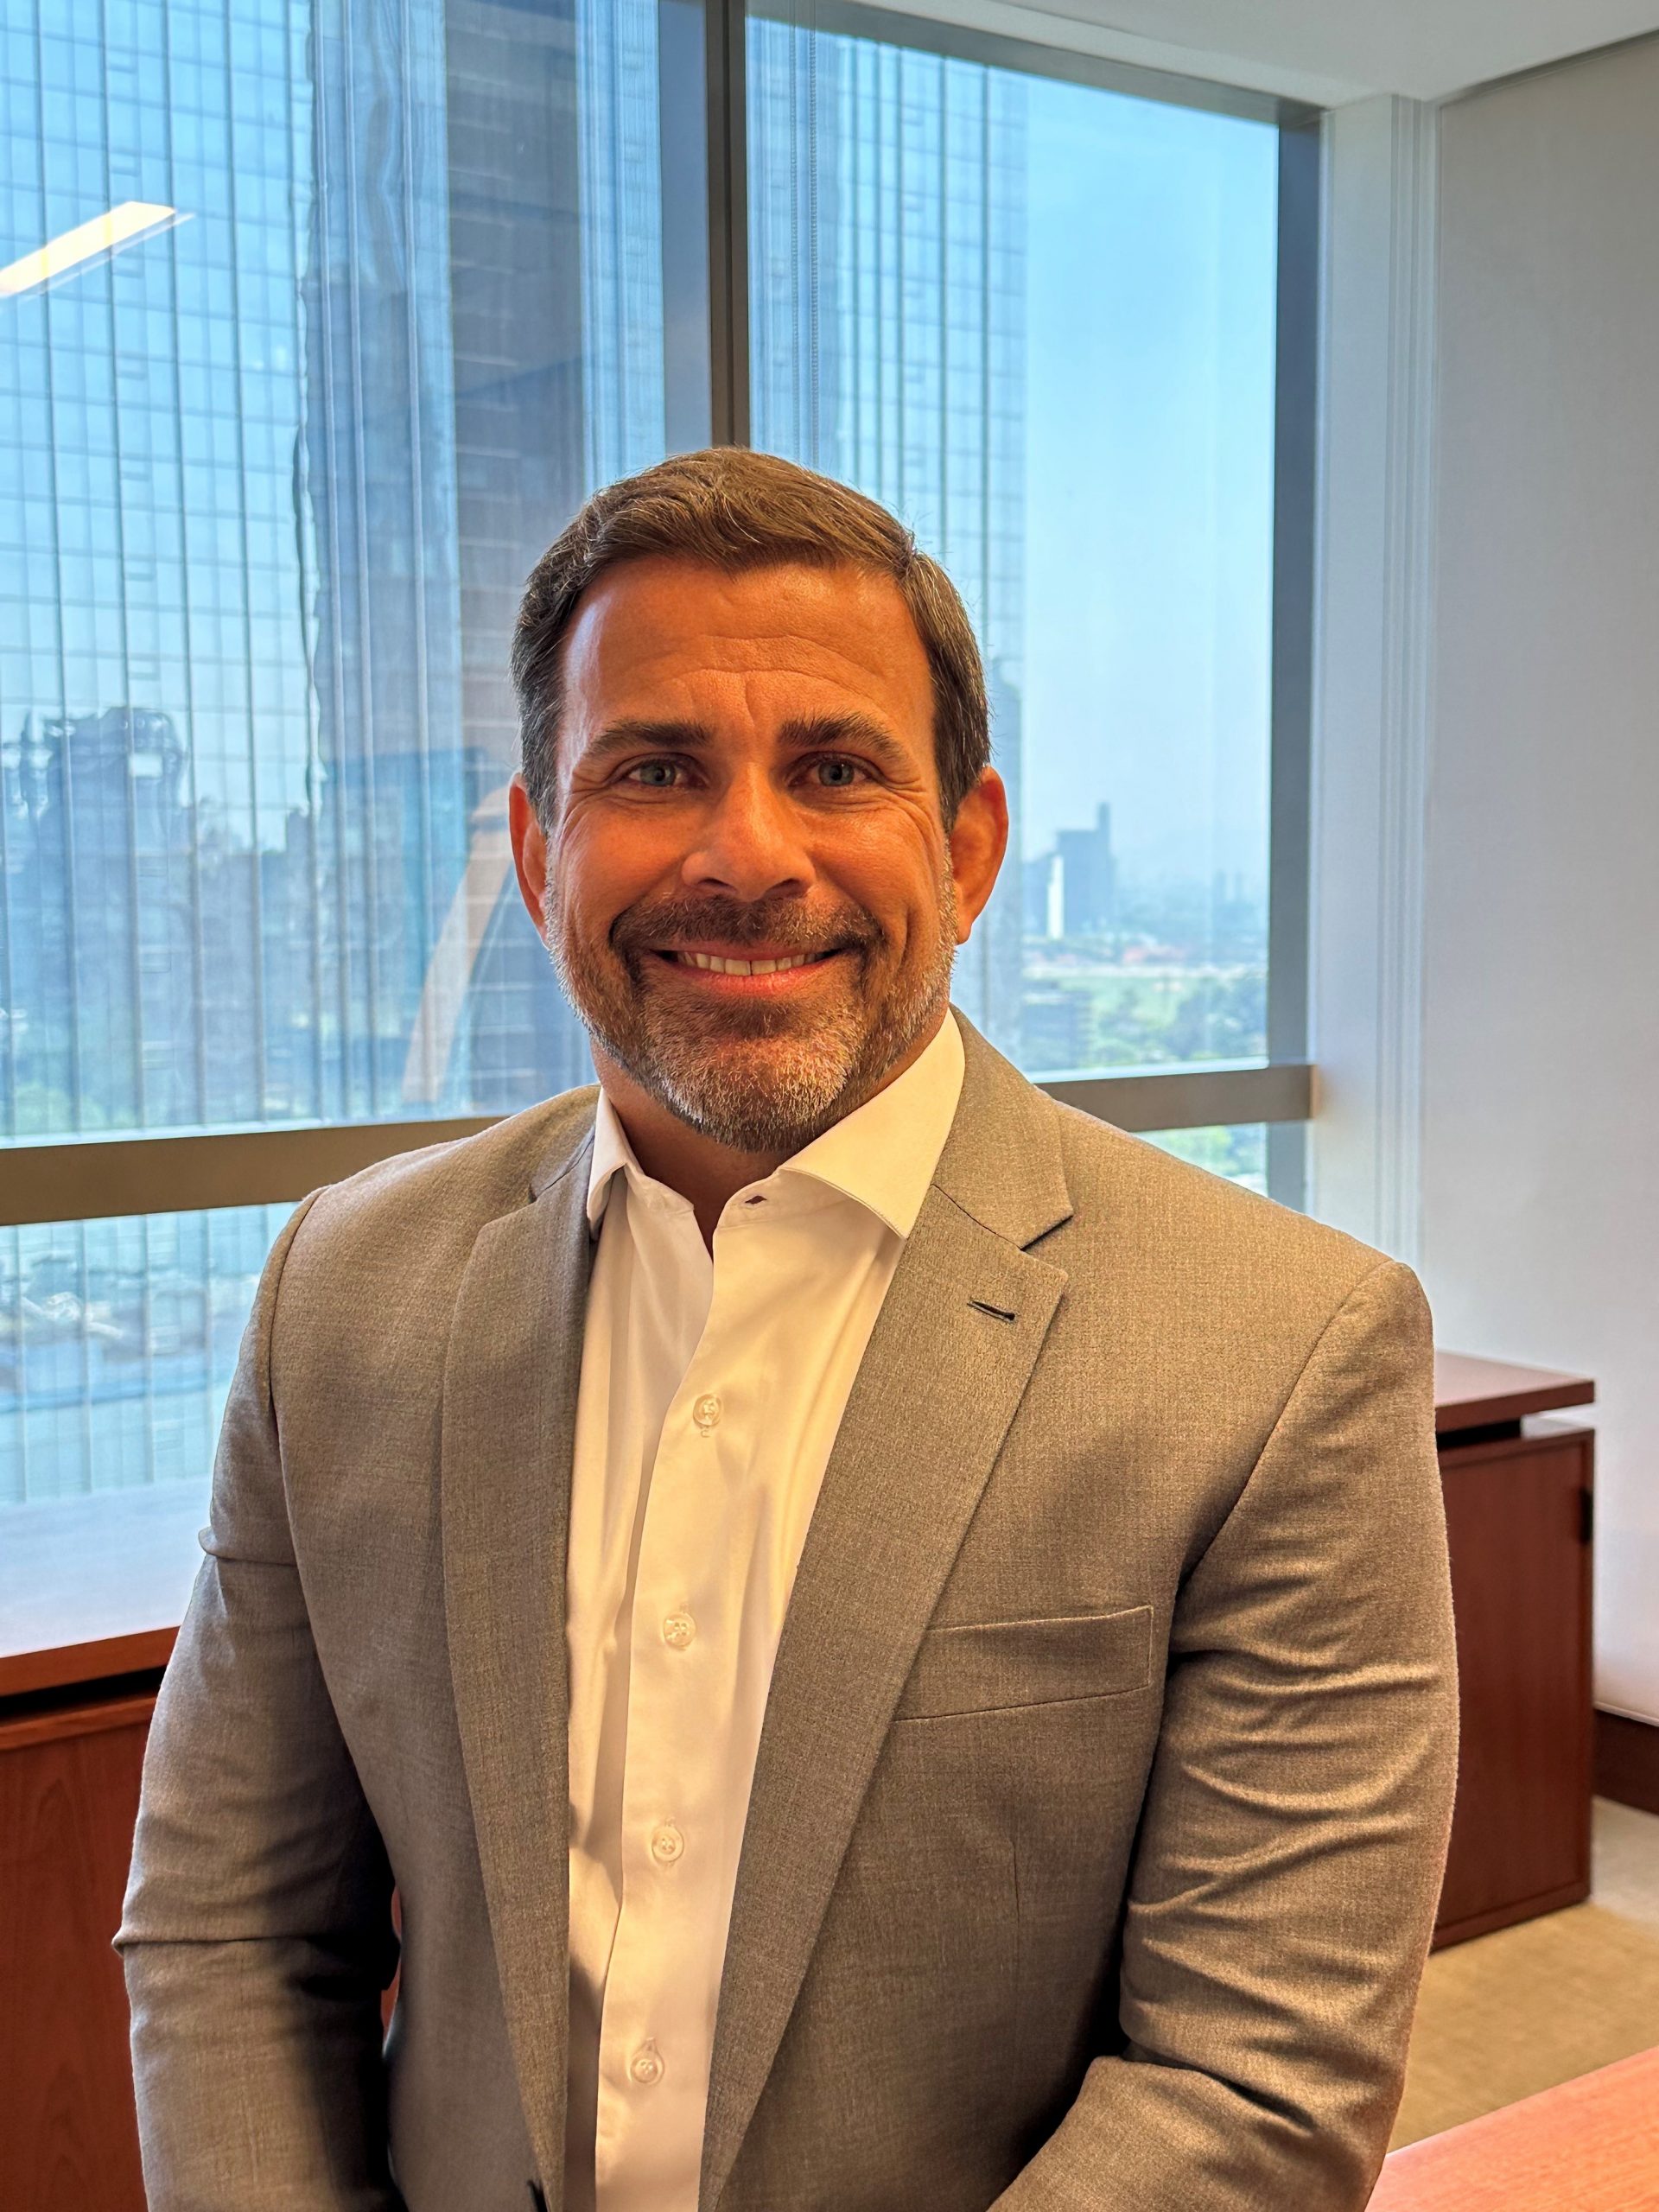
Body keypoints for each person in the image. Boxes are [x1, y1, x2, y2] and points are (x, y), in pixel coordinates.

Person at [119, 448, 1459, 2212]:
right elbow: (227, 1928)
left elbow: (1254, 2079)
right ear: (536, 851)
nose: (745, 854)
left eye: (834, 768)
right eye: (652, 769)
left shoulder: (1282, 1352)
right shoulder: (345, 1294)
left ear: (967, 851)